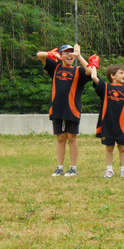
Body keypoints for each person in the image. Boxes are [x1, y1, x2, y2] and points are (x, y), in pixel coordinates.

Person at [36, 44, 92, 177]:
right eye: (66, 52)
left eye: (71, 52)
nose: (69, 55)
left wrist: (79, 55)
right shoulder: (55, 68)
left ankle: (73, 167)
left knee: (72, 137)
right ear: (61, 55)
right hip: (57, 109)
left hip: (72, 109)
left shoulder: (78, 70)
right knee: (61, 138)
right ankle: (59, 167)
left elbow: (89, 71)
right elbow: (40, 55)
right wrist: (54, 55)